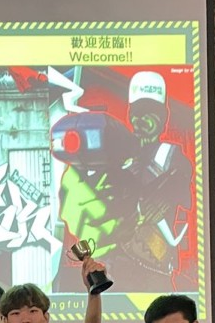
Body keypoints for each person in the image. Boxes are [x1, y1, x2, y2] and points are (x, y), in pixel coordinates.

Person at [55, 70, 194, 292]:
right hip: (110, 272)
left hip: (153, 272)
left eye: (150, 112)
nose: (142, 120)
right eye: (137, 112)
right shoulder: (115, 154)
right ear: (129, 114)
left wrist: (162, 197)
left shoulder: (172, 156)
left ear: (164, 117)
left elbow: (182, 185)